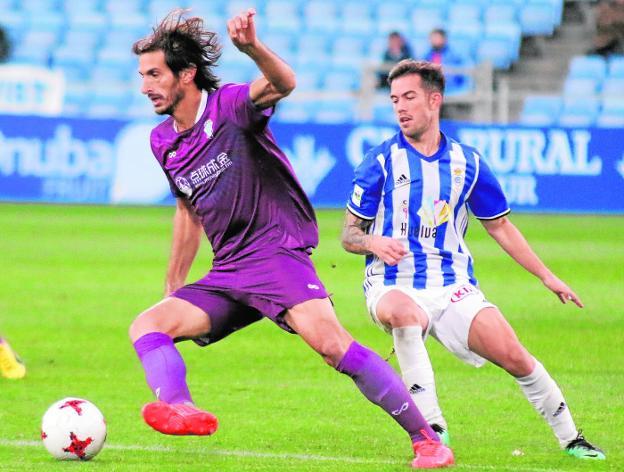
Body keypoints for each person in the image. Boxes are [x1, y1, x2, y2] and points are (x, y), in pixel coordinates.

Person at [129, 10, 454, 469]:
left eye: (154, 74)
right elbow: (187, 209)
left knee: (332, 345)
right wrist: (172, 286)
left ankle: (427, 440)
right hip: (230, 270)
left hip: (277, 253)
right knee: (147, 325)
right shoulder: (162, 140)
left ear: (186, 74)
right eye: (142, 75)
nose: (145, 85)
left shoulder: (231, 106)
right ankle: (180, 407)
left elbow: (284, 81)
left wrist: (252, 49)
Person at [341, 59, 605, 460]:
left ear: (435, 100)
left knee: (516, 356)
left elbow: (500, 227)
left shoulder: (469, 163)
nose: (400, 107)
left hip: (452, 285)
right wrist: (374, 243)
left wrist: (547, 277)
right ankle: (432, 431)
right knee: (405, 315)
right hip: (392, 283)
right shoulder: (379, 162)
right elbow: (348, 235)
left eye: (409, 97)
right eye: (394, 99)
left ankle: (572, 439)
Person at [423, 29, 468, 95]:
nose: (434, 40)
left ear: (444, 39)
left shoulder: (455, 55)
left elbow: (463, 73)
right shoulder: (426, 56)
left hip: (452, 91)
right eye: (432, 38)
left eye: (437, 38)